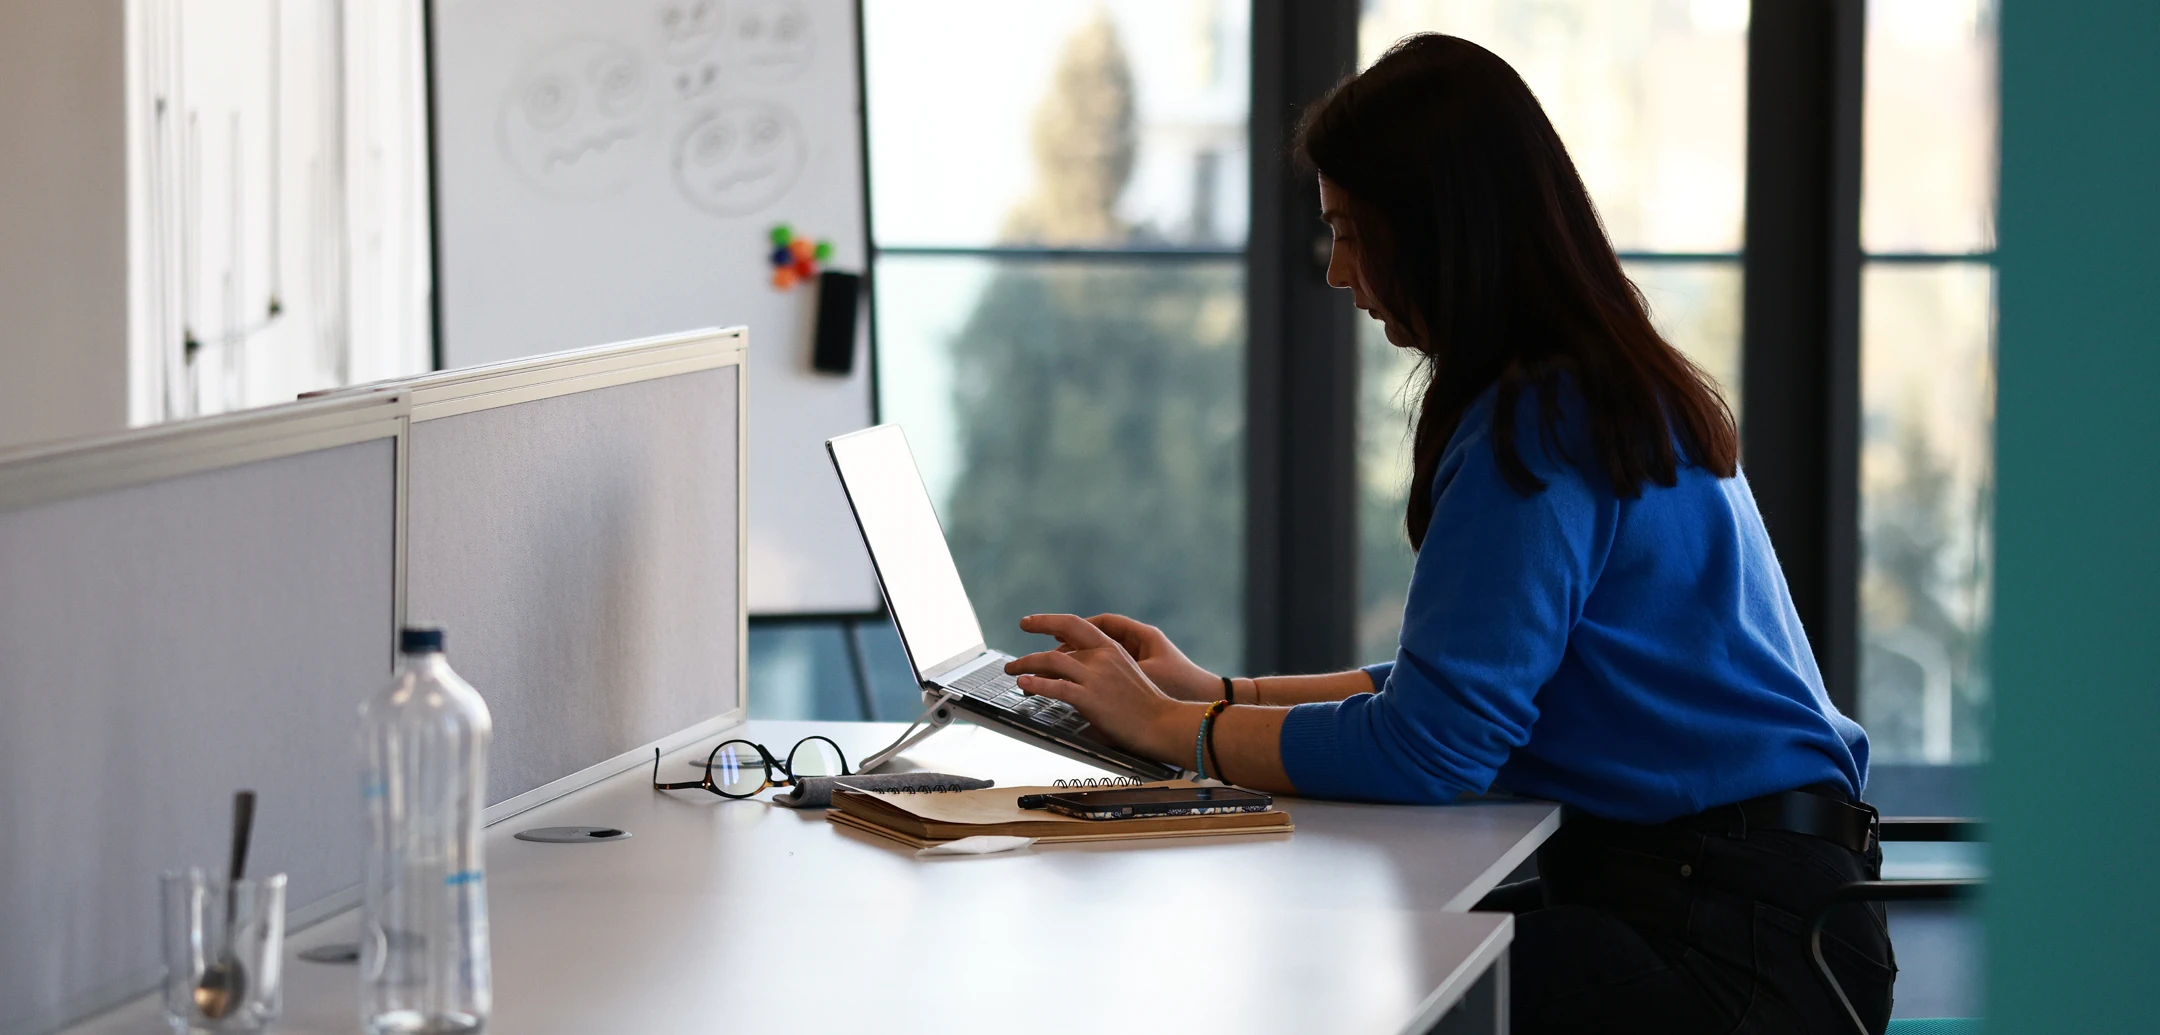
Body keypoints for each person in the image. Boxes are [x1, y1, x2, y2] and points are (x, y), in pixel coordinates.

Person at [1003, 33, 1895, 1035]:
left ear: (1439, 232)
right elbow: (1460, 684)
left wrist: (1167, 732)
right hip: (1761, 911)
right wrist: (1218, 695)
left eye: (1351, 231)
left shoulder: (1541, 422)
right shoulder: (1594, 385)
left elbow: (1434, 747)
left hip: (1728, 950)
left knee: (1326, 976)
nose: (1338, 272)